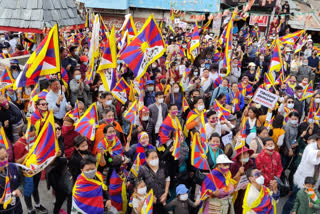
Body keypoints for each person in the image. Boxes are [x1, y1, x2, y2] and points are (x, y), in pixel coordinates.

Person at [13, 125, 48, 214]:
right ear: (24, 133)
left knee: (35, 188)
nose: (33, 137)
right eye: (31, 135)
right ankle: (30, 209)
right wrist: (26, 155)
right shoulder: (18, 144)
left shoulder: (36, 139)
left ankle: (37, 204)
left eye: (34, 135)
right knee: (27, 191)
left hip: (36, 170)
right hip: (26, 173)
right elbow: (17, 161)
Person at [283, 134, 320, 214]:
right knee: (293, 201)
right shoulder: (310, 147)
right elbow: (313, 154)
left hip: (313, 184)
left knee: (308, 203)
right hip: (302, 182)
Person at [138, 149, 170, 214]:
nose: (155, 159)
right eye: (152, 158)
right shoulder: (143, 170)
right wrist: (148, 196)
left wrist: (166, 192)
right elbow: (139, 186)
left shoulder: (162, 165)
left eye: (156, 157)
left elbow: (167, 178)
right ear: (146, 159)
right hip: (150, 203)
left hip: (162, 200)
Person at [230, 147, 254, 214]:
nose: (246, 155)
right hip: (237, 190)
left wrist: (248, 183)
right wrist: (239, 173)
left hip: (247, 187)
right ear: (239, 156)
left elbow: (252, 175)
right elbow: (231, 180)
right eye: (244, 154)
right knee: (237, 205)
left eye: (247, 153)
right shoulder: (234, 165)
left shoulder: (250, 162)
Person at [0, 145, 23, 214]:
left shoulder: (14, 167)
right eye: (1, 158)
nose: (5, 160)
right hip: (3, 210)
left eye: (6, 156)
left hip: (17, 207)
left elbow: (22, 181)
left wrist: (19, 189)